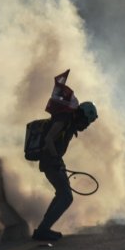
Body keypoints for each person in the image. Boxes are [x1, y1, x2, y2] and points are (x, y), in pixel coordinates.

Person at [33, 102, 98, 241]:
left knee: (62, 195)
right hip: (51, 162)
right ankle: (43, 230)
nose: (86, 126)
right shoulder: (64, 120)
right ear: (81, 115)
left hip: (54, 162)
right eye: (86, 122)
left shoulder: (69, 123)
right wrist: (57, 160)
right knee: (66, 197)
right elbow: (48, 139)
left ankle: (43, 228)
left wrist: (58, 161)